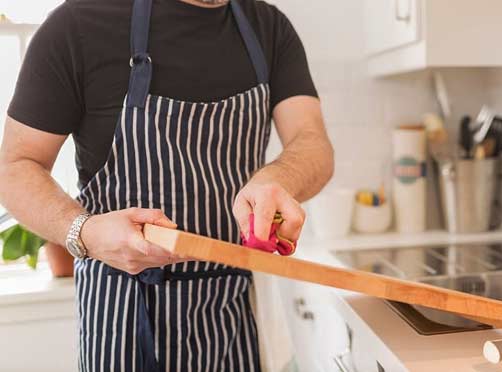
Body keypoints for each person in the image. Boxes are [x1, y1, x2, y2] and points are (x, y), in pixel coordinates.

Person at [0, 0, 334, 370]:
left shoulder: (268, 28)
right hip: (125, 313)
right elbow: (15, 167)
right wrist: (85, 231)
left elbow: (312, 142)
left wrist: (277, 179)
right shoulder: (77, 24)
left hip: (231, 311)